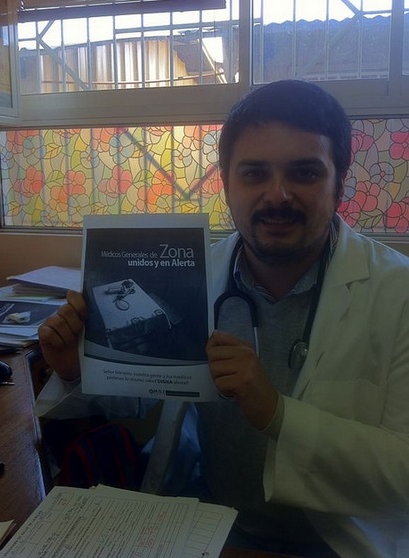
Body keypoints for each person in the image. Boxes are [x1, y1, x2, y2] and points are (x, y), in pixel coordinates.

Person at [36, 80, 409, 558]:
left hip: (339, 544)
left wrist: (277, 414)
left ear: (339, 184)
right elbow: (139, 391)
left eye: (304, 173)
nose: (278, 195)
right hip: (209, 529)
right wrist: (77, 367)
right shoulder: (197, 273)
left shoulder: (397, 293)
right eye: (254, 173)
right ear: (227, 185)